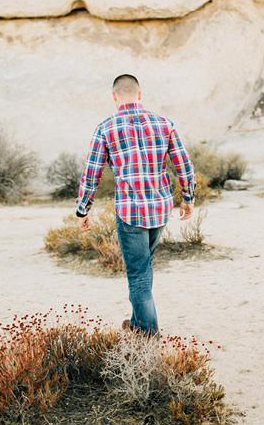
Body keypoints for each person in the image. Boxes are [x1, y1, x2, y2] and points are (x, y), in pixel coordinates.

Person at [75, 74, 196, 336]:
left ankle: (149, 337)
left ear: (115, 97)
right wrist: (188, 198)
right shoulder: (164, 124)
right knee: (144, 266)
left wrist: (83, 209)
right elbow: (183, 164)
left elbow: (91, 172)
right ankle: (137, 324)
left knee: (139, 275)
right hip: (160, 209)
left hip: (130, 213)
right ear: (139, 95)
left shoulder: (106, 127)